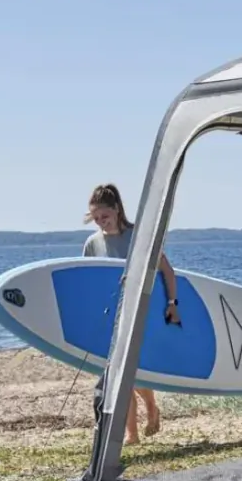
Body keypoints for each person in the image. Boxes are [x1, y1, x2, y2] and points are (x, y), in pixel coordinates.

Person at [82, 183, 180, 443]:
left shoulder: (138, 236)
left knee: (132, 374)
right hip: (111, 316)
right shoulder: (92, 244)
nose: (101, 223)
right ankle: (132, 433)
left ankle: (150, 409)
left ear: (116, 210)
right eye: (96, 218)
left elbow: (167, 271)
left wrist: (172, 303)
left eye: (105, 216)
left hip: (140, 312)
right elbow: (89, 282)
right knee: (117, 374)